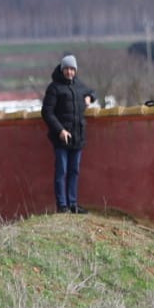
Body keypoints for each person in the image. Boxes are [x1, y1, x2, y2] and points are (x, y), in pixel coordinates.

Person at [42, 53, 88, 214]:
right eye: (67, 69)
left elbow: (90, 91)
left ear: (75, 71)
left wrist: (90, 97)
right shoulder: (54, 88)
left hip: (78, 136)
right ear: (62, 70)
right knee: (62, 171)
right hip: (61, 137)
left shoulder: (78, 85)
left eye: (72, 69)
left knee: (74, 171)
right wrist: (60, 130)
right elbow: (47, 112)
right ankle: (62, 205)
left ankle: (73, 204)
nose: (69, 72)